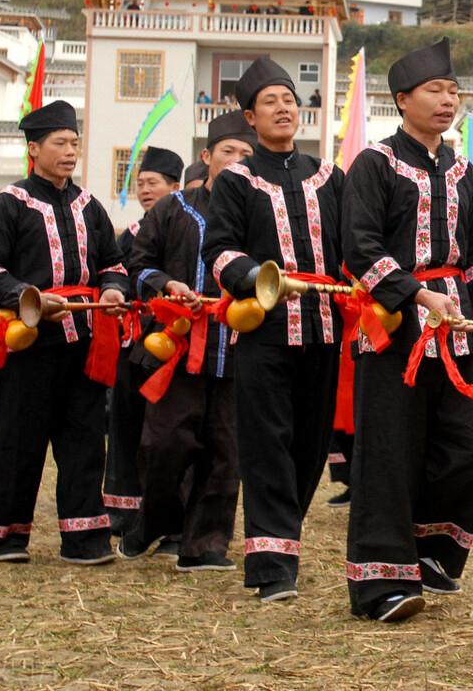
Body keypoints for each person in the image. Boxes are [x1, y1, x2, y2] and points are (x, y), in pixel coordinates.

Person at [342, 38, 473, 623]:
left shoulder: (464, 171)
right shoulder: (375, 164)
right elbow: (358, 247)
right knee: (388, 453)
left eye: (453, 91)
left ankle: (433, 551)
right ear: (402, 100)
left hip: (457, 328)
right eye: (435, 91)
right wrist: (414, 291)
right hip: (392, 329)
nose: (448, 101)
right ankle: (381, 582)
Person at [202, 57, 344, 602]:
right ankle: (270, 564)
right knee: (266, 444)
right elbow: (218, 252)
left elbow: (351, 246)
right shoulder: (237, 181)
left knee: (309, 447)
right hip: (263, 332)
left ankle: (284, 535)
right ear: (249, 118)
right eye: (270, 102)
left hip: (325, 330)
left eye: (289, 99)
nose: (284, 108)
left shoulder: (330, 176)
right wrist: (255, 278)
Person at [0, 100, 128, 564]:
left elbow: (113, 263)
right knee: (18, 437)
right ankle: (3, 536)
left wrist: (116, 288)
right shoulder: (9, 204)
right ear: (33, 148)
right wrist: (32, 298)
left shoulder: (89, 205)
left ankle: (85, 539)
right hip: (29, 343)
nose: (69, 151)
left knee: (83, 438)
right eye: (59, 143)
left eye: (74, 142)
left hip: (81, 343)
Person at [117, 112, 255, 571]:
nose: (237, 162)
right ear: (207, 157)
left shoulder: (258, 213)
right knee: (164, 443)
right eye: (228, 153)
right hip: (176, 345)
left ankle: (206, 545)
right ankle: (155, 522)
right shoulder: (173, 208)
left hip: (236, 346)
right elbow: (138, 265)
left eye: (246, 155)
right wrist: (167, 285)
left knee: (225, 450)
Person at [105, 146, 183, 537]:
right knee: (125, 423)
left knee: (165, 431)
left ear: (175, 186)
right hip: (132, 341)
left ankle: (165, 514)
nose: (146, 190)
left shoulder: (187, 228)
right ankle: (121, 510)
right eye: (141, 184)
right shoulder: (129, 235)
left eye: (153, 183)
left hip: (174, 342)